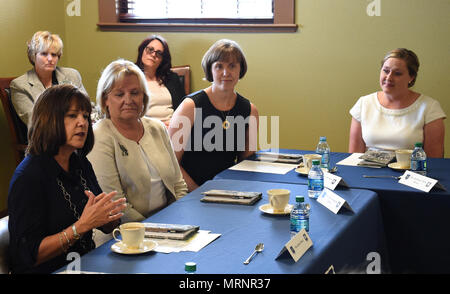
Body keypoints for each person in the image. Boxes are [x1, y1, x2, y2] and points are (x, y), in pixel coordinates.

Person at [7, 85, 126, 274]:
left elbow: (101, 224)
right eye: (72, 116)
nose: (82, 123)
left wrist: (109, 217)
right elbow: (28, 254)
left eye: (86, 116)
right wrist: (82, 226)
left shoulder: (80, 163)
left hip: (85, 264)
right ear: (48, 120)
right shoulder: (28, 177)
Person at [88, 59, 188, 223]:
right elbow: (116, 204)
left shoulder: (157, 128)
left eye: (135, 93)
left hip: (170, 223)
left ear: (144, 96)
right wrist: (155, 230)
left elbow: (178, 185)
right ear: (106, 99)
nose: (129, 100)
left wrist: (179, 219)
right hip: (123, 234)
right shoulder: (99, 136)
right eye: (119, 94)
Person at [168, 39, 259, 192]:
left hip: (226, 189)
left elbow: (247, 163)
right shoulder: (190, 106)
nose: (226, 73)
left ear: (240, 69)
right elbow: (171, 162)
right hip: (188, 190)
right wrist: (198, 192)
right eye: (219, 66)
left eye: (232, 66)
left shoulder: (250, 110)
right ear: (210, 70)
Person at [349, 48, 446, 157]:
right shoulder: (364, 103)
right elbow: (354, 157)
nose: (389, 77)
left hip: (410, 171)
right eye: (385, 71)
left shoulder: (430, 108)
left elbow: (434, 160)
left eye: (398, 73)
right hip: (367, 171)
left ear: (411, 77)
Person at [10, 31, 87, 126]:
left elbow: (86, 107)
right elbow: (35, 121)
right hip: (45, 137)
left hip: (79, 129)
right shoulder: (19, 85)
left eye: (54, 55)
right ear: (33, 56)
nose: (50, 59)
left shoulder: (72, 75)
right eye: (44, 54)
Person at [135, 35, 186, 127]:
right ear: (142, 50)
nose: (153, 55)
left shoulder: (172, 78)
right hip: (145, 129)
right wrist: (159, 125)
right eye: (150, 49)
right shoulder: (131, 78)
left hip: (173, 128)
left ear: (162, 60)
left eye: (159, 53)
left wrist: (175, 123)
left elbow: (184, 108)